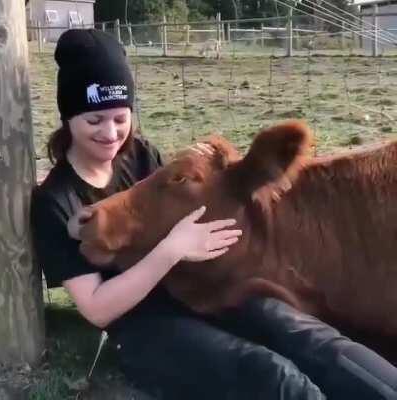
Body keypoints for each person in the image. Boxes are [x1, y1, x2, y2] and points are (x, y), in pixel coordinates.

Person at [31, 29, 397, 400]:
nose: (110, 133)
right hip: (146, 329)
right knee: (272, 374)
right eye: (95, 120)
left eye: (120, 118)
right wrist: (171, 251)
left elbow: (185, 205)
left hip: (198, 292)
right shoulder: (55, 200)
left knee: (314, 339)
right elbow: (97, 309)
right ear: (68, 118)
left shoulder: (139, 155)